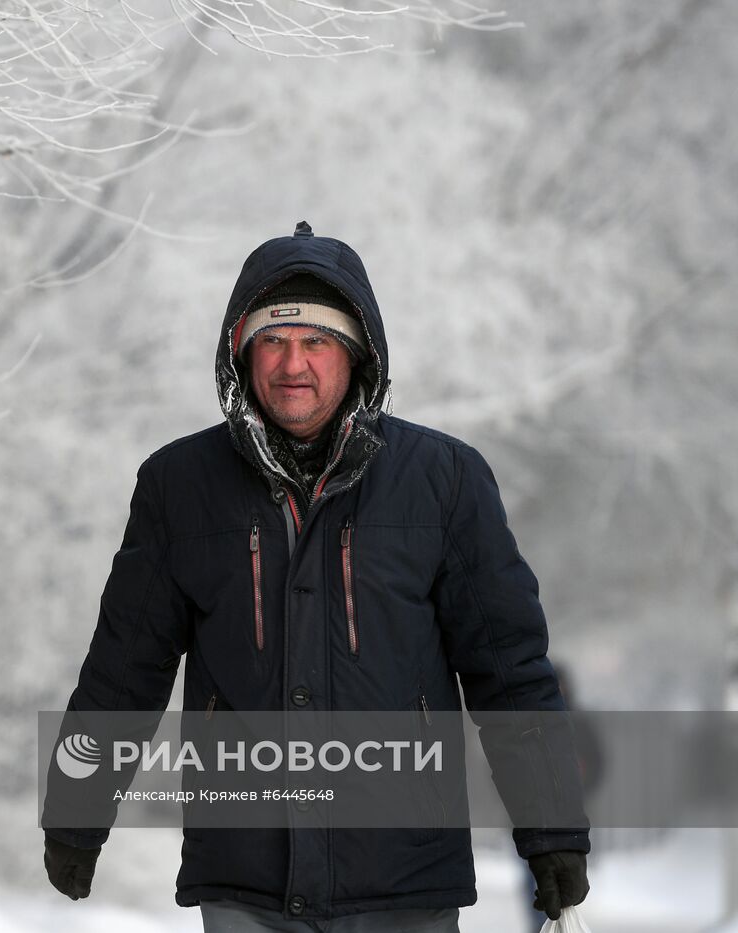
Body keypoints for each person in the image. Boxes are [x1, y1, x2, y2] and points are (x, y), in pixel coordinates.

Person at [41, 222, 591, 931]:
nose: (291, 363)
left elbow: (508, 670)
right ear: (241, 353)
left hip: (404, 879)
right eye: (272, 340)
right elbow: (126, 664)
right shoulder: (179, 485)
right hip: (244, 872)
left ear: (356, 354)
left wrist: (551, 832)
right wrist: (78, 812)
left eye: (316, 341)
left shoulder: (446, 482)